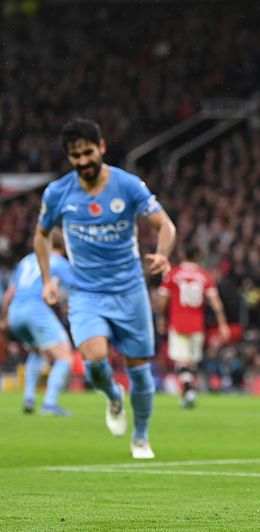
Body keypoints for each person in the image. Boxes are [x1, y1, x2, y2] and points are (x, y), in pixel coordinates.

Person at [35, 118, 176, 459]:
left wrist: (163, 254)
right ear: (68, 157)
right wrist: (48, 279)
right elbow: (41, 235)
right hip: (86, 293)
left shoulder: (128, 186)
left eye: (87, 152)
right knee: (94, 358)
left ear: (101, 147)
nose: (83, 161)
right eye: (75, 156)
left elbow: (165, 226)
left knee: (139, 370)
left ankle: (140, 437)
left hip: (130, 291)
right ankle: (113, 396)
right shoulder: (57, 193)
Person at [1, 230, 74, 416]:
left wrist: (4, 318)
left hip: (15, 312)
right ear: (63, 246)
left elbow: (10, 292)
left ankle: (29, 398)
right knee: (65, 357)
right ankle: (50, 403)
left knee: (37, 351)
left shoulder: (26, 260)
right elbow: (75, 288)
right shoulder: (58, 261)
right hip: (35, 310)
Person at [155, 244, 230, 409]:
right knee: (192, 363)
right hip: (197, 325)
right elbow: (215, 301)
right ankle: (188, 393)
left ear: (183, 254)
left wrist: (161, 318)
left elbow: (162, 299)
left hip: (178, 323)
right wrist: (222, 323)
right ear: (198, 256)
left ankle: (188, 391)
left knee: (181, 362)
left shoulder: (173, 274)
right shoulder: (204, 276)